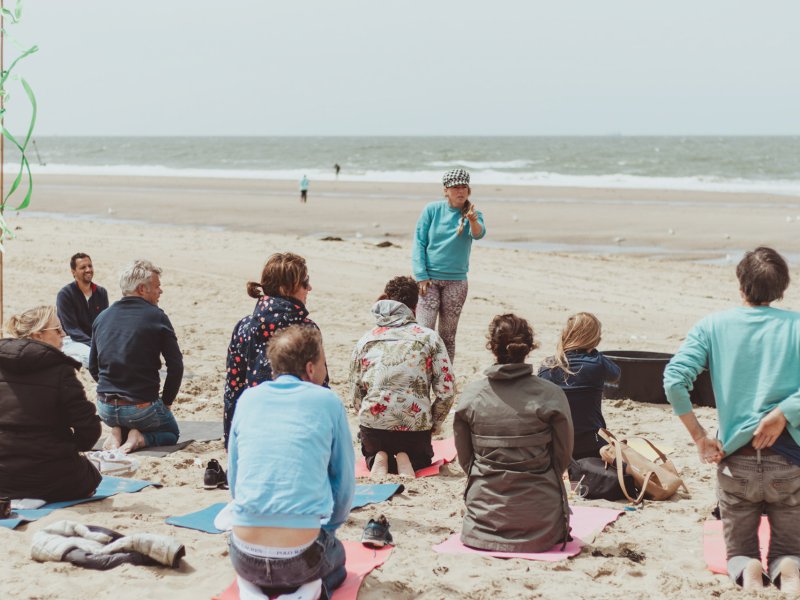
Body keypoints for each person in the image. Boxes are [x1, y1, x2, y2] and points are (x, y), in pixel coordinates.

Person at [664, 247, 800, 593]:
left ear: (741, 285)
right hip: (790, 461)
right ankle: (786, 567)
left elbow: (674, 380)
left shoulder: (712, 325)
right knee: (790, 550)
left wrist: (699, 437)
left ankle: (747, 566)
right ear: (781, 288)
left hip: (733, 461)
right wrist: (784, 413)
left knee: (738, 551)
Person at [228, 325, 354, 597]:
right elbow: (343, 485)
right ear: (310, 369)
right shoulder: (328, 402)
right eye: (323, 362)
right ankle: (305, 592)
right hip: (301, 557)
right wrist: (328, 529)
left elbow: (235, 480)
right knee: (338, 560)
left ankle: (251, 589)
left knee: (261, 567)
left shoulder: (247, 399)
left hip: (244, 553)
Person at [454, 314, 573, 552]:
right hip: (542, 524)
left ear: (492, 346)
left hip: (483, 523)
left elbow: (465, 459)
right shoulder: (550, 393)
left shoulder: (473, 395)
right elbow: (562, 456)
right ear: (529, 347)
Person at [349, 275, 455, 477]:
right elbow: (447, 391)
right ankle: (409, 460)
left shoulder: (367, 338)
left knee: (372, 449)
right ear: (415, 306)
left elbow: (355, 393)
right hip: (413, 433)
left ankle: (377, 457)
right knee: (422, 457)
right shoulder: (429, 337)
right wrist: (434, 422)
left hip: (374, 430)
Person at [0, 305, 101, 501]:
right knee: (90, 476)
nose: (63, 335)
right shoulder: (61, 370)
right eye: (57, 329)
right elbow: (89, 430)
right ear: (38, 335)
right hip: (47, 473)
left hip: (2, 476)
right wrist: (67, 448)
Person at [223, 252, 319, 446]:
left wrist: (231, 442)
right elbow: (318, 384)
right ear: (285, 288)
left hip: (253, 430)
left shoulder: (244, 327)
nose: (309, 287)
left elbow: (233, 388)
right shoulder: (307, 329)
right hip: (296, 432)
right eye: (305, 282)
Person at [90, 259, 184, 453]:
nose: (161, 291)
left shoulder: (102, 317)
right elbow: (176, 366)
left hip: (105, 408)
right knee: (171, 432)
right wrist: (166, 402)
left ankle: (118, 431)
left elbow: (93, 366)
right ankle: (138, 437)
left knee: (126, 414)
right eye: (157, 286)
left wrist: (112, 386)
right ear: (142, 289)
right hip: (140, 409)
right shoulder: (156, 316)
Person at [412, 168, 486, 363]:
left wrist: (472, 220)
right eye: (455, 188)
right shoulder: (432, 210)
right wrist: (421, 275)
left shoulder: (474, 214)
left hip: (456, 283)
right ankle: (422, 376)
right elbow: (419, 241)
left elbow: (478, 234)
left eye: (463, 187)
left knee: (448, 337)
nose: (460, 191)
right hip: (428, 281)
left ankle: (445, 381)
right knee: (424, 334)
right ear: (446, 190)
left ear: (468, 190)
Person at [538, 312, 621, 460]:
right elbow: (616, 375)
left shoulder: (547, 366)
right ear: (595, 340)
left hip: (554, 443)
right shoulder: (597, 363)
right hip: (590, 443)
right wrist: (594, 351)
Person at [56, 252, 109, 368]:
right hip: (71, 340)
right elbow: (72, 329)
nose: (88, 270)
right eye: (83, 267)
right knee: (91, 358)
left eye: (90, 266)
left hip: (95, 342)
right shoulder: (65, 294)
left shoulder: (101, 293)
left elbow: (104, 324)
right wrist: (95, 346)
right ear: (73, 272)